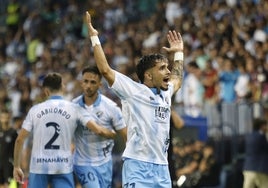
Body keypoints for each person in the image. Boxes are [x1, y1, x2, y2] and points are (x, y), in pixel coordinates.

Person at [85, 11, 184, 187]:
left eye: (167, 67)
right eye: (162, 68)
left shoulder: (166, 92)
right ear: (148, 75)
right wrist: (94, 38)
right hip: (138, 166)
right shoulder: (133, 91)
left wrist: (178, 54)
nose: (168, 71)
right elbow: (105, 70)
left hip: (162, 169)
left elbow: (177, 79)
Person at [13, 72, 116, 188]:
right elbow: (99, 130)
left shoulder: (35, 110)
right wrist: (114, 134)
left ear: (46, 91)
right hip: (62, 165)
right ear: (63, 87)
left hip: (39, 166)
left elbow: (20, 140)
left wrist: (16, 166)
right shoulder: (74, 109)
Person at [72, 65, 127, 188]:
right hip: (82, 162)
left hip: (105, 163)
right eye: (85, 81)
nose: (88, 86)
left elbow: (124, 134)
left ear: (99, 85)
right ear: (81, 83)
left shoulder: (111, 107)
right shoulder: (73, 106)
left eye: (93, 82)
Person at [243, 118, 268, 188]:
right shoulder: (261, 136)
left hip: (248, 168)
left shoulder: (249, 136)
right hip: (260, 169)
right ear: (262, 126)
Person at [0, 109, 18, 188]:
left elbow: (17, 149)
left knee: (9, 185)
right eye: (3, 117)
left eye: (7, 117)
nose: (5, 120)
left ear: (9, 118)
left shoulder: (13, 132)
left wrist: (17, 164)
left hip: (9, 164)